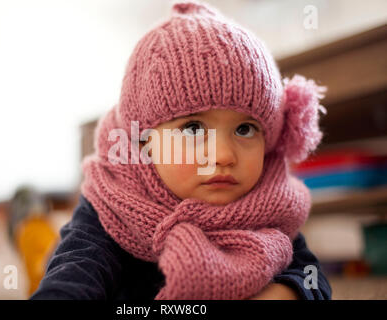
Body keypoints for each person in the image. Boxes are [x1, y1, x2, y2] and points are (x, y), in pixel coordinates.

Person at [31, 1, 332, 300]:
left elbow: (312, 276)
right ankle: (30, 231)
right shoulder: (113, 203)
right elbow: (77, 270)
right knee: (49, 254)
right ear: (145, 140)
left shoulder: (271, 205)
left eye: (245, 129)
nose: (224, 155)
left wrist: (288, 292)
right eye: (193, 129)